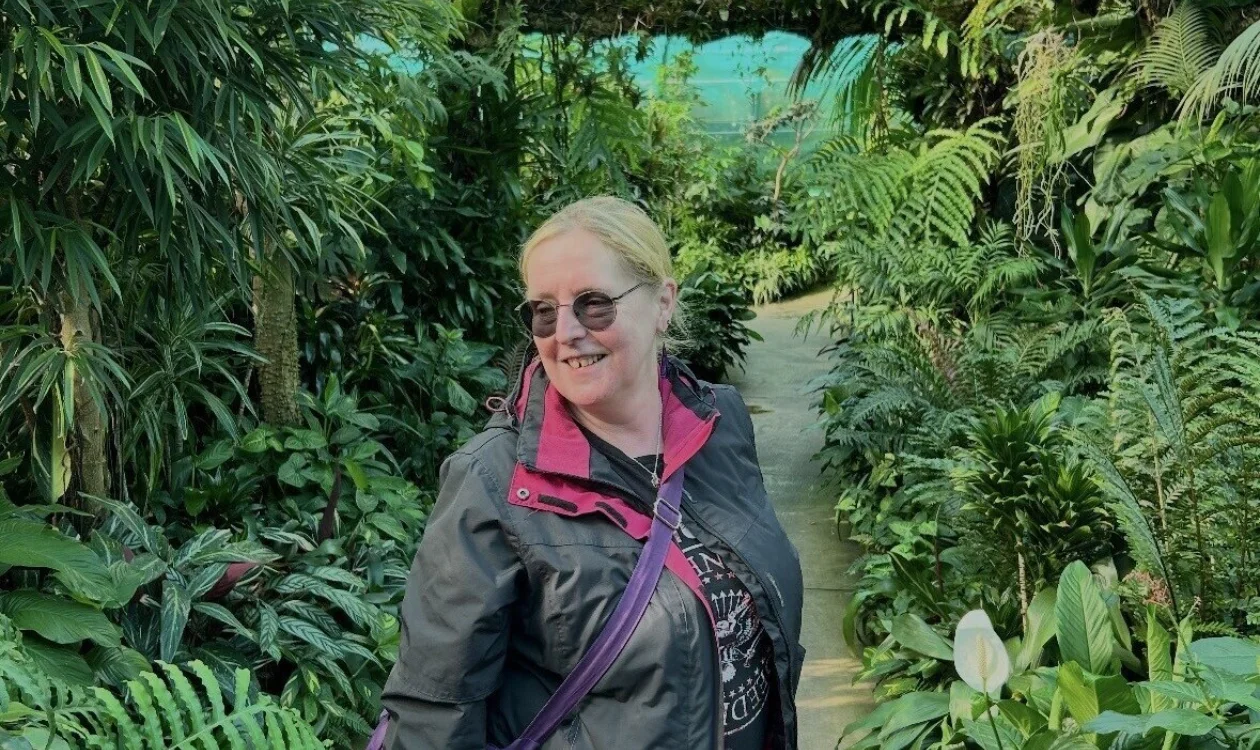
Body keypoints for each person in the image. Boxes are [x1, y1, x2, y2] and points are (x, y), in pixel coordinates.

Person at [378, 196, 805, 749]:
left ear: (662, 304)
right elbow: (432, 712)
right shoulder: (492, 482)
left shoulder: (719, 425)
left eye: (594, 304)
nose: (566, 332)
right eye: (543, 311)